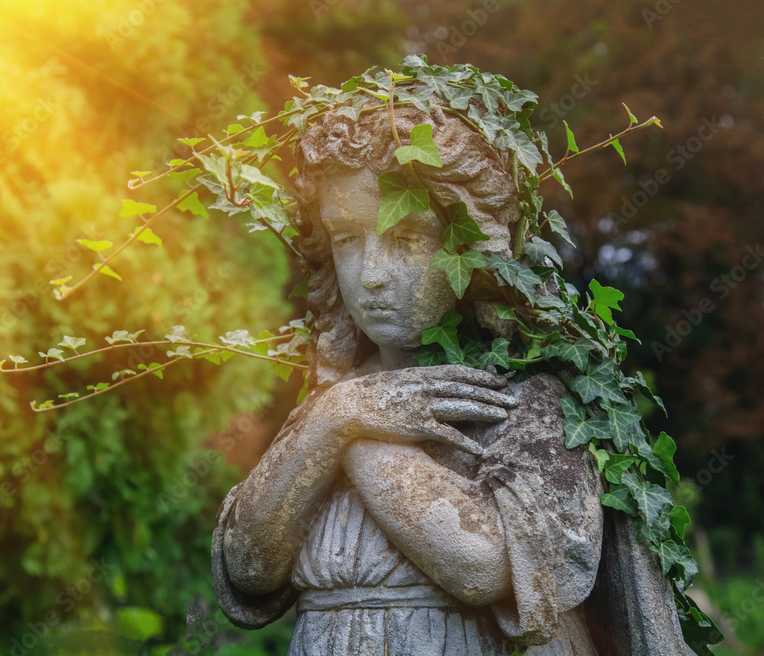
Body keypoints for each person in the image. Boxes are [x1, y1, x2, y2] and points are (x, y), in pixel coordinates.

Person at [210, 100, 673, 654]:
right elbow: (249, 568)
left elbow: (483, 565)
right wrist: (336, 417)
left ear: (471, 251)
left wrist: (351, 430)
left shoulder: (527, 401)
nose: (371, 276)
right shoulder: (328, 407)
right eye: (347, 240)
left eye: (405, 239)